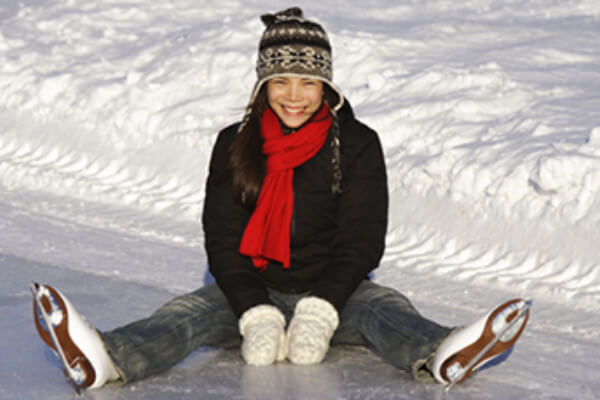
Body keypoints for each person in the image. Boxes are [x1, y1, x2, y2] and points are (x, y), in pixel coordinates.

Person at [31, 7, 530, 391]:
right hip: (253, 288)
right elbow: (223, 239)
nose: (295, 95)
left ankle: (443, 352)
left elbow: (361, 241)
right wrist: (254, 311)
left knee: (389, 314)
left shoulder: (356, 144)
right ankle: (104, 358)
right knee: (181, 316)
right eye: (281, 82)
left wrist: (321, 309)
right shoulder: (235, 141)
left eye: (309, 82)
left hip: (340, 293)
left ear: (326, 85)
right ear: (263, 84)